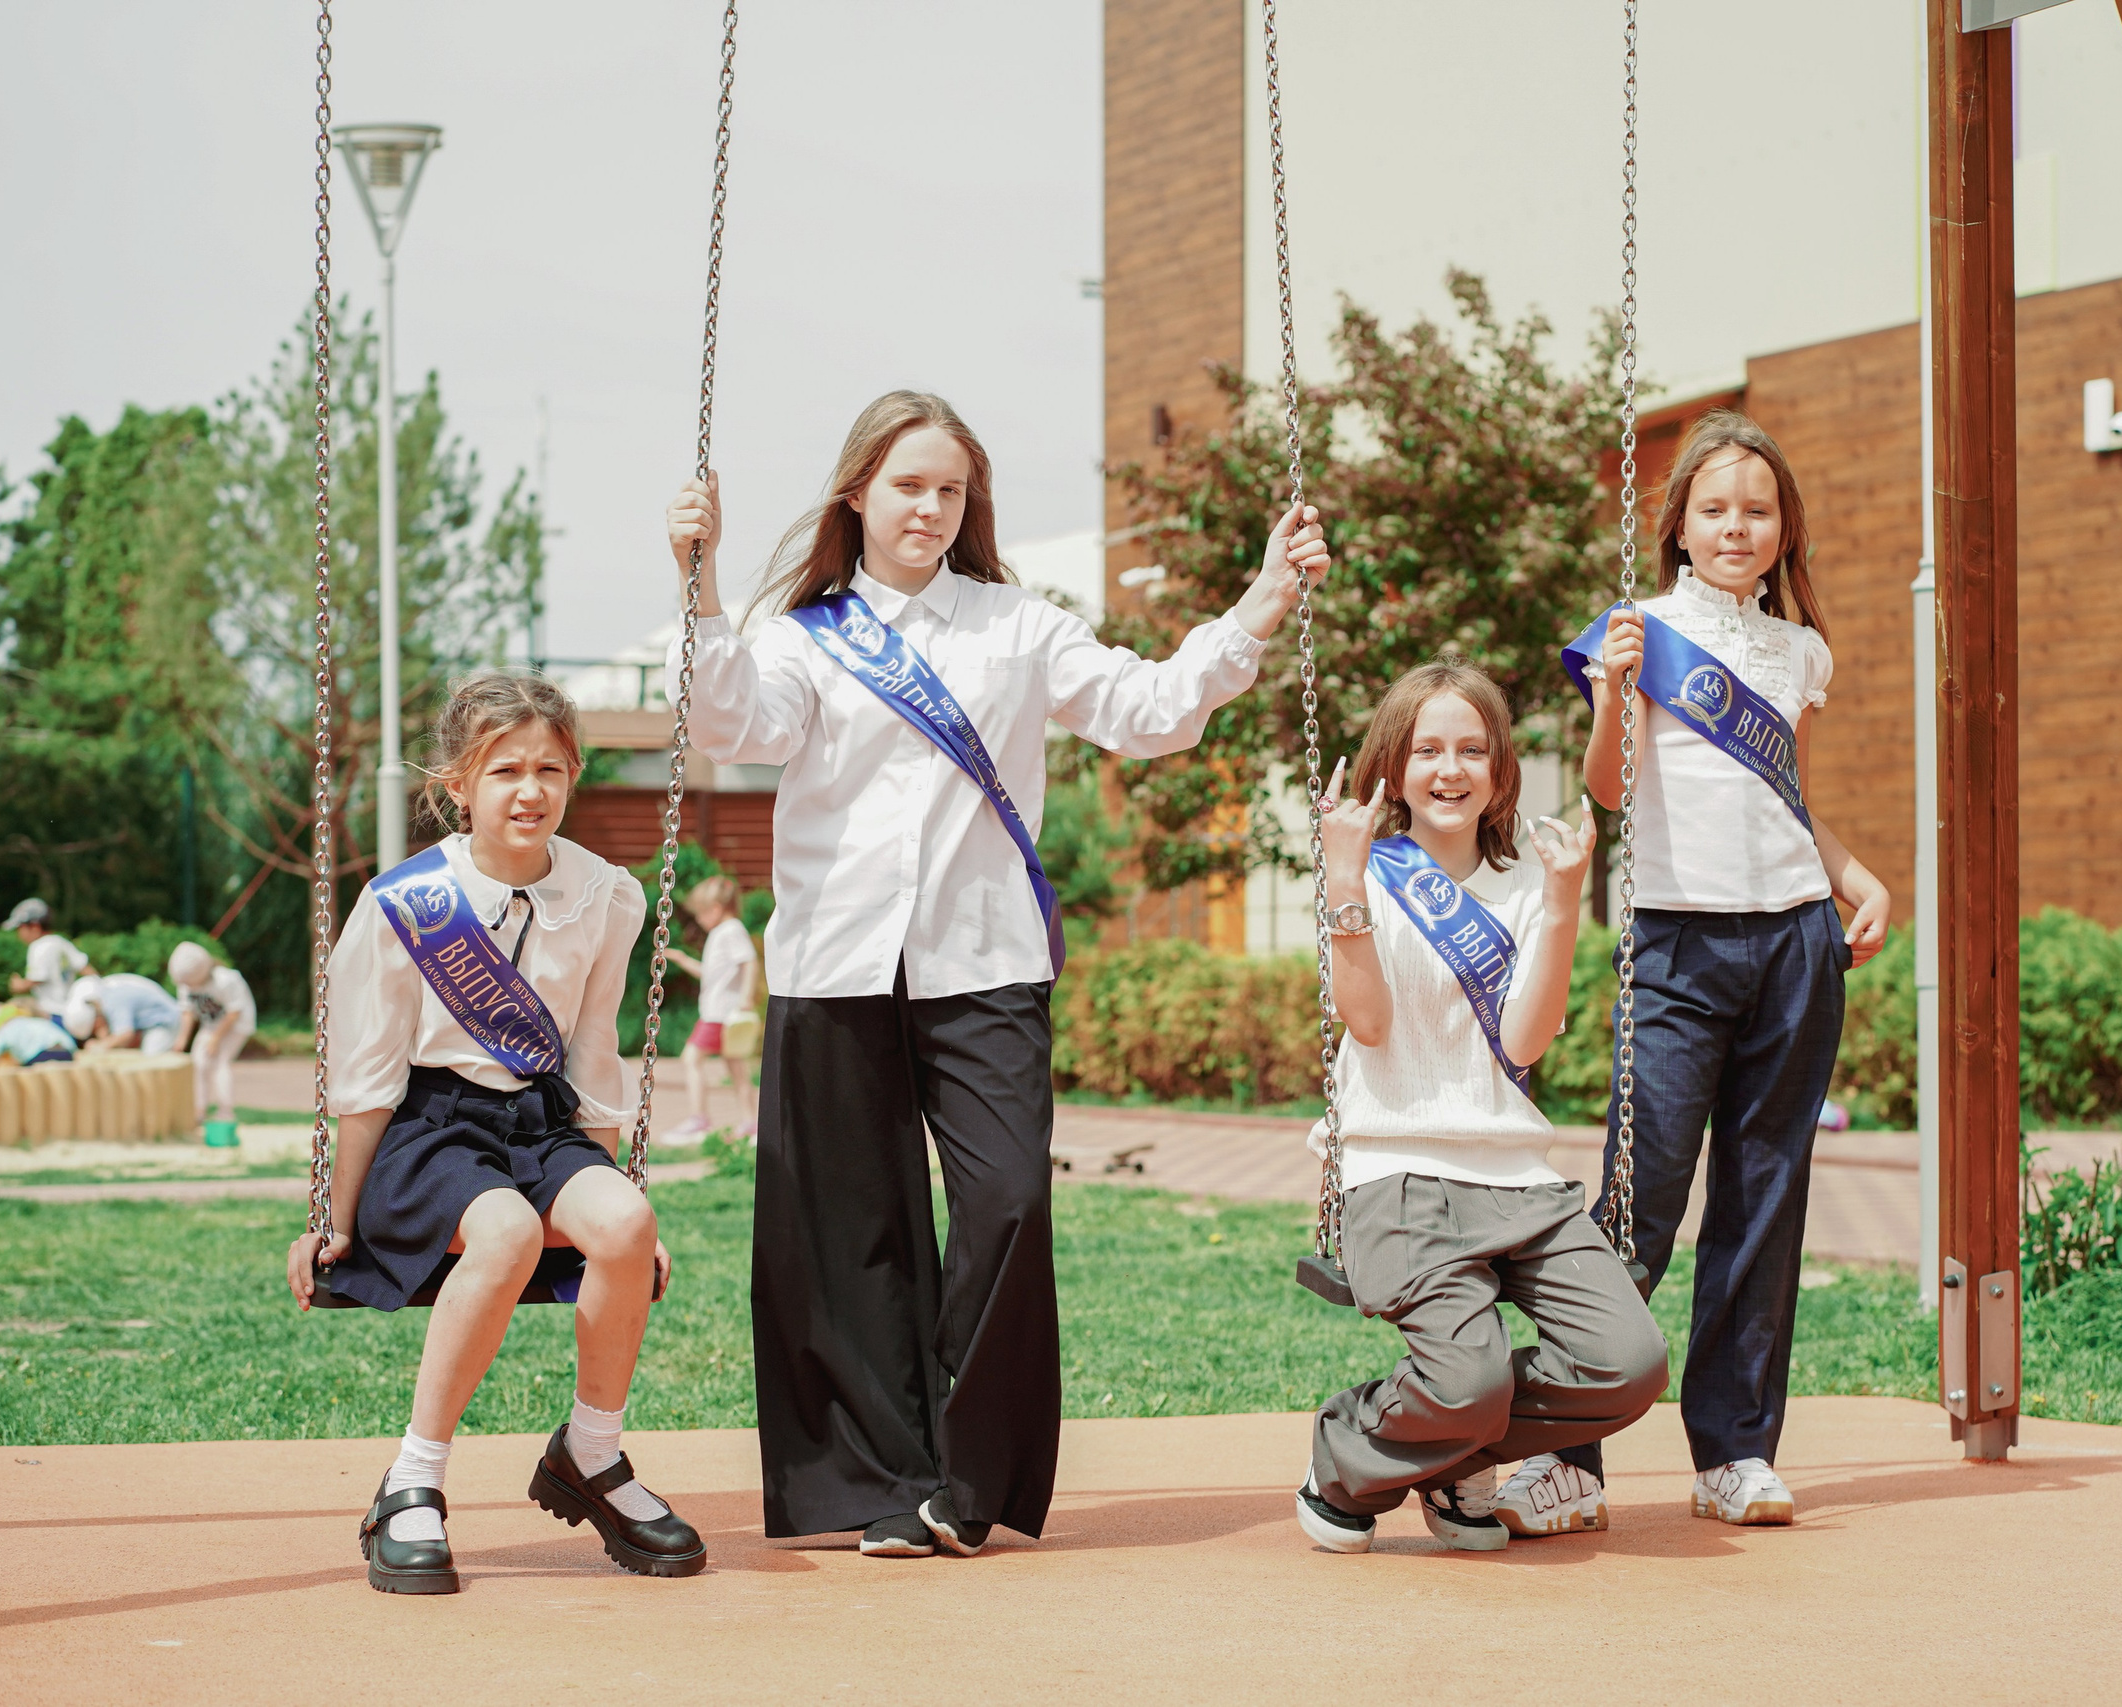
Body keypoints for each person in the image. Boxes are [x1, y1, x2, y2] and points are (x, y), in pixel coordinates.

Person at [666, 389, 1328, 1559]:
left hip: (986, 965)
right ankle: (884, 1488)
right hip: (836, 969)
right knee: (853, 1234)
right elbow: (733, 729)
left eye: (950, 490)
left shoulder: (1020, 626)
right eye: (907, 485)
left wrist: (1259, 609)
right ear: (856, 493)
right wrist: (702, 582)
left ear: (970, 506)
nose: (928, 507)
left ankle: (971, 1479)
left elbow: (1150, 710)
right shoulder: (799, 633)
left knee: (1009, 1202)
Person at [1524, 409, 1891, 1534]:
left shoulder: (1798, 651)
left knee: (1765, 1198)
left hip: (1791, 941)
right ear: (1677, 524)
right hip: (1677, 943)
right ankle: (1568, 1455)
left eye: (1759, 510)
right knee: (1638, 1199)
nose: (1737, 527)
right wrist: (1610, 700)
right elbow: (1609, 790)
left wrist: (1852, 874)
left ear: (1784, 531)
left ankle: (1733, 1451)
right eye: (1716, 509)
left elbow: (1787, 800)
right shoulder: (1636, 631)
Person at [285, 673, 705, 1594]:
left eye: (549, 768)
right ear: (457, 784)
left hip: (537, 1123)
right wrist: (333, 1217)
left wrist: (630, 1204)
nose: (530, 790)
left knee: (626, 1224)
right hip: (429, 1130)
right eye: (505, 768)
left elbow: (595, 1055)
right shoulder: (408, 903)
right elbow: (365, 1079)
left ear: (574, 774)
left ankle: (589, 1456)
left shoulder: (602, 894)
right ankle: (412, 1482)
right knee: (508, 1231)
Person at [1292, 662, 1669, 1555]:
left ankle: (1450, 1445)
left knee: (1630, 1363)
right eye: (1427, 749)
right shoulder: (1370, 874)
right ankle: (1348, 1452)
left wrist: (1569, 898)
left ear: (1501, 770)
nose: (1449, 769)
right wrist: (1342, 883)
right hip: (1399, 1172)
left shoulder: (1531, 881)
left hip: (1517, 1181)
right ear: (1396, 766)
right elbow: (1371, 1023)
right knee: (1470, 1379)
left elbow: (1528, 1039)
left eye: (1471, 749)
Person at [662, 875, 752, 1138]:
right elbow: (709, 974)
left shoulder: (730, 930)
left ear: (715, 909)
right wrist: (681, 958)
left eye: (700, 914)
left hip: (719, 1014)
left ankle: (699, 1119)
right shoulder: (723, 933)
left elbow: (749, 962)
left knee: (690, 1059)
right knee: (736, 1068)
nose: (699, 920)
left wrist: (746, 997)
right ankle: (750, 1122)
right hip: (724, 1013)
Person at [169, 942, 257, 1132]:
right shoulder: (185, 982)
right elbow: (188, 1012)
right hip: (212, 1024)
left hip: (238, 1024)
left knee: (220, 1062)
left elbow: (235, 1012)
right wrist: (181, 1039)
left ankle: (226, 1111)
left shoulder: (225, 980)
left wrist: (216, 1038)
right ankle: (199, 1110)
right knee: (198, 1062)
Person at [2, 899, 88, 1017]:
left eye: (20, 928)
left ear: (34, 926)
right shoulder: (61, 942)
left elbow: (37, 978)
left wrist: (20, 985)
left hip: (50, 1012)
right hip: (69, 1012)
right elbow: (85, 968)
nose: (19, 934)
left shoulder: (38, 947)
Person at [63, 973, 184, 1054]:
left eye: (94, 1029)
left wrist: (101, 1046)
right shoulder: (105, 994)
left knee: (151, 1059)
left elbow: (125, 1034)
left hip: (166, 1022)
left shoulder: (112, 999)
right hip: (155, 1024)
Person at [0, 1001, 79, 1067]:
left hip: (41, 1055)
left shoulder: (4, 1030)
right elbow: (66, 1040)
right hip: (65, 1051)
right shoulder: (32, 1021)